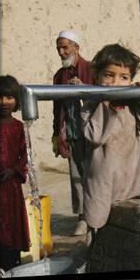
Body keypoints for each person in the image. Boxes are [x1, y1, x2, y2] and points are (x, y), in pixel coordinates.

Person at [81, 44, 140, 246]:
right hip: (102, 183)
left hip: (129, 180)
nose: (116, 82)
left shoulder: (131, 103)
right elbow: (95, 136)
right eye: (109, 76)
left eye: (124, 77)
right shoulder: (90, 105)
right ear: (96, 77)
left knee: (128, 233)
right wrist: (108, 104)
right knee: (99, 234)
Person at [52, 30, 95, 236]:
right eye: (59, 48)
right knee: (77, 175)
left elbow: (103, 97)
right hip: (72, 132)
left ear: (76, 48)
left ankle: (99, 213)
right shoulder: (59, 76)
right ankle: (82, 217)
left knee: (95, 173)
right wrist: (56, 134)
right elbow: (56, 107)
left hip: (93, 132)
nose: (61, 52)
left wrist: (84, 88)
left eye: (65, 47)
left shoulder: (91, 69)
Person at [0, 75, 30, 271]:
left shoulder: (19, 127)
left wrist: (13, 171)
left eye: (9, 97)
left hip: (11, 188)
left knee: (12, 226)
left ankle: (11, 267)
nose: (3, 103)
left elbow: (25, 156)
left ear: (17, 100)